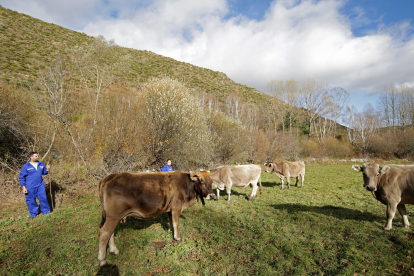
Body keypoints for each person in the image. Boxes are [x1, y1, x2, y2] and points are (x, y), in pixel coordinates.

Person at [19, 152, 51, 218]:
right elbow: (22, 177)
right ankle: (33, 213)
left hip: (40, 185)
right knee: (31, 200)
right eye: (36, 156)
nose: (38, 157)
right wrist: (23, 187)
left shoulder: (41, 164)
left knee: (43, 198)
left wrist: (47, 168)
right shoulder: (26, 166)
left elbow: (45, 173)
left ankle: (46, 211)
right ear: (31, 157)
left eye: (38, 156)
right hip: (30, 186)